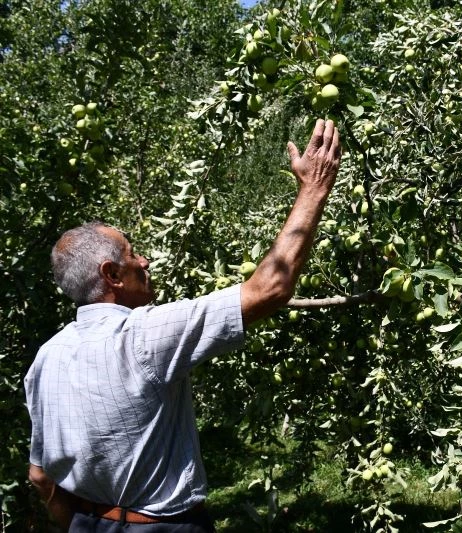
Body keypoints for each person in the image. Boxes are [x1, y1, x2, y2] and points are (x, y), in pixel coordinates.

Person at [24, 119, 341, 532]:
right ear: (112, 275)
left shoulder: (47, 357)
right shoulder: (143, 335)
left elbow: (40, 475)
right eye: (133, 254)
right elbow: (269, 288)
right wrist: (314, 189)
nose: (145, 262)